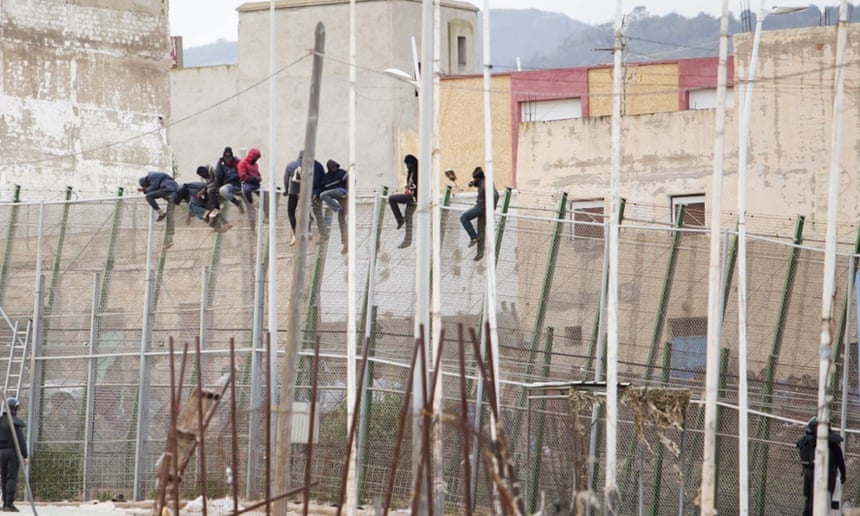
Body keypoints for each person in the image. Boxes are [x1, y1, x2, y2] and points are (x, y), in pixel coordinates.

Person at [797, 417, 847, 515]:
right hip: (825, 475)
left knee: (809, 500)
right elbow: (840, 459)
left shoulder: (804, 441)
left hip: (808, 473)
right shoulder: (831, 442)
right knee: (824, 502)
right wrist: (843, 473)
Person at [171, 166, 232, 233]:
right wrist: (188, 217)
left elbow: (192, 204)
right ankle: (225, 224)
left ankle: (215, 222)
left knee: (204, 213)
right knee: (210, 211)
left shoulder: (185, 188)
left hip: (207, 194)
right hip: (206, 195)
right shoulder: (188, 190)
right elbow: (192, 205)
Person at [283, 151, 323, 246]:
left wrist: (285, 190)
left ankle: (295, 234)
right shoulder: (310, 166)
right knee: (305, 211)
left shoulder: (290, 165)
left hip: (293, 192)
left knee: (291, 213)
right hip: (305, 192)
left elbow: (286, 179)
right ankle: (308, 231)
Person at [459, 166, 499, 261]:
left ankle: (473, 237)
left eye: (475, 178)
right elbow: (477, 183)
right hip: (484, 208)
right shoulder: (484, 180)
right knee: (481, 230)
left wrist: (491, 209)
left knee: (463, 217)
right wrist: (472, 183)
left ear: (479, 177)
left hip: (481, 207)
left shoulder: (485, 184)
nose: (474, 180)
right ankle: (480, 253)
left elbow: (495, 195)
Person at [314, 159, 348, 253]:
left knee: (344, 222)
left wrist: (349, 191)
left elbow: (352, 180)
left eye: (335, 167)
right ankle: (345, 244)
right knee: (341, 220)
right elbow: (321, 188)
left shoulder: (342, 173)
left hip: (343, 193)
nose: (334, 169)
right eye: (332, 168)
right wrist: (315, 196)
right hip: (333, 195)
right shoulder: (326, 177)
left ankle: (338, 208)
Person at [0, 398, 28, 512]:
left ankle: (4, 503)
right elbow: (20, 441)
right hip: (12, 453)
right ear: (15, 409)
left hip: (0, 453)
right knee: (11, 478)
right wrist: (25, 455)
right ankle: (8, 503)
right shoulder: (15, 422)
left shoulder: (1, 420)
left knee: (3, 477)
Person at [138, 171, 178, 247]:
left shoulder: (152, 176)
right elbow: (154, 187)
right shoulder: (155, 177)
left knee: (149, 196)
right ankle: (170, 240)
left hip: (168, 189)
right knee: (170, 217)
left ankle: (161, 212)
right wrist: (146, 190)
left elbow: (153, 187)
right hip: (171, 193)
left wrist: (145, 190)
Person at [389, 154, 418, 248]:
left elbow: (419, 186)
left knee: (392, 198)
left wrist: (414, 193)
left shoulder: (419, 172)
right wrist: (407, 188)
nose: (407, 166)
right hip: (409, 195)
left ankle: (400, 219)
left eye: (408, 164)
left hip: (415, 197)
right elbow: (410, 185)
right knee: (408, 217)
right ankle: (407, 240)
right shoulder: (410, 172)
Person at [211, 146, 245, 215]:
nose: (228, 160)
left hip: (236, 184)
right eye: (226, 157)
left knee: (223, 190)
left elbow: (242, 173)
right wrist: (219, 164)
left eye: (229, 157)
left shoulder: (237, 162)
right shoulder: (221, 163)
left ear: (232, 157)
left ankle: (237, 203)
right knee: (211, 190)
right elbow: (218, 175)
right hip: (226, 184)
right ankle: (216, 209)